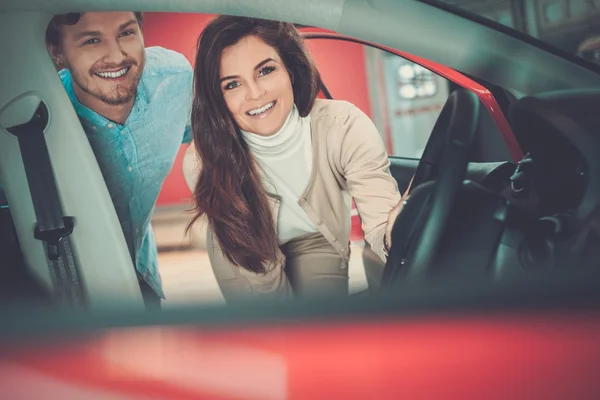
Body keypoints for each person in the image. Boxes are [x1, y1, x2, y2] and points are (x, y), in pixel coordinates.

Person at [183, 15, 404, 303]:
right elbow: (260, 271)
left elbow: (380, 227)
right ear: (217, 97)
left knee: (321, 329)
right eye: (232, 85)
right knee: (275, 327)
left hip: (316, 236)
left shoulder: (344, 125)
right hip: (245, 248)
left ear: (290, 68)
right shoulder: (202, 159)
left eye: (265, 71)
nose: (256, 93)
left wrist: (396, 235)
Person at [46, 12, 194, 309]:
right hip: (68, 290)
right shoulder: (42, 114)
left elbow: (204, 139)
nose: (116, 56)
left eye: (126, 33)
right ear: (58, 53)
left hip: (143, 273)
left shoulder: (175, 80)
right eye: (91, 40)